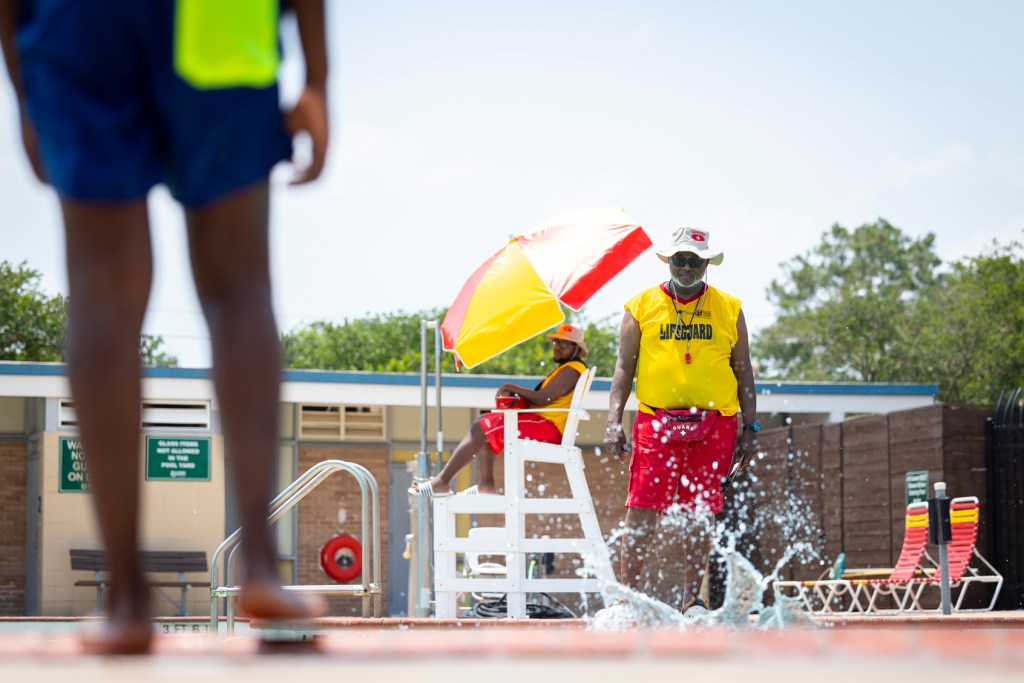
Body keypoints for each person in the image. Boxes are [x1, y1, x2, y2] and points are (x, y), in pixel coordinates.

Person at [0, 0, 329, 653]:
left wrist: (23, 86)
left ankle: (126, 601)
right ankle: (261, 565)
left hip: (80, 26)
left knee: (101, 296)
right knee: (239, 288)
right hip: (219, 20)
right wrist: (318, 77)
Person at [602, 226, 759, 616]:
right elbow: (624, 366)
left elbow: (743, 369)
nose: (686, 266)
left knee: (701, 510)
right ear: (668, 260)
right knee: (641, 507)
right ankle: (627, 600)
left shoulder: (730, 308)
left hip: (716, 423)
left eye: (694, 260)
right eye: (679, 259)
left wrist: (751, 427)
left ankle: (692, 599)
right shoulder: (639, 306)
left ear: (706, 264)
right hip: (656, 422)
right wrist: (612, 420)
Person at [410, 324, 588, 497]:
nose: (557, 347)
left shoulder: (572, 370)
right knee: (486, 423)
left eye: (563, 344)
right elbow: (543, 398)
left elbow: (543, 398)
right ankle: (486, 486)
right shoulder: (568, 369)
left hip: (548, 427)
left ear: (577, 349)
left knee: (481, 426)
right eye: (555, 342)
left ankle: (442, 482)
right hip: (544, 424)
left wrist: (510, 386)